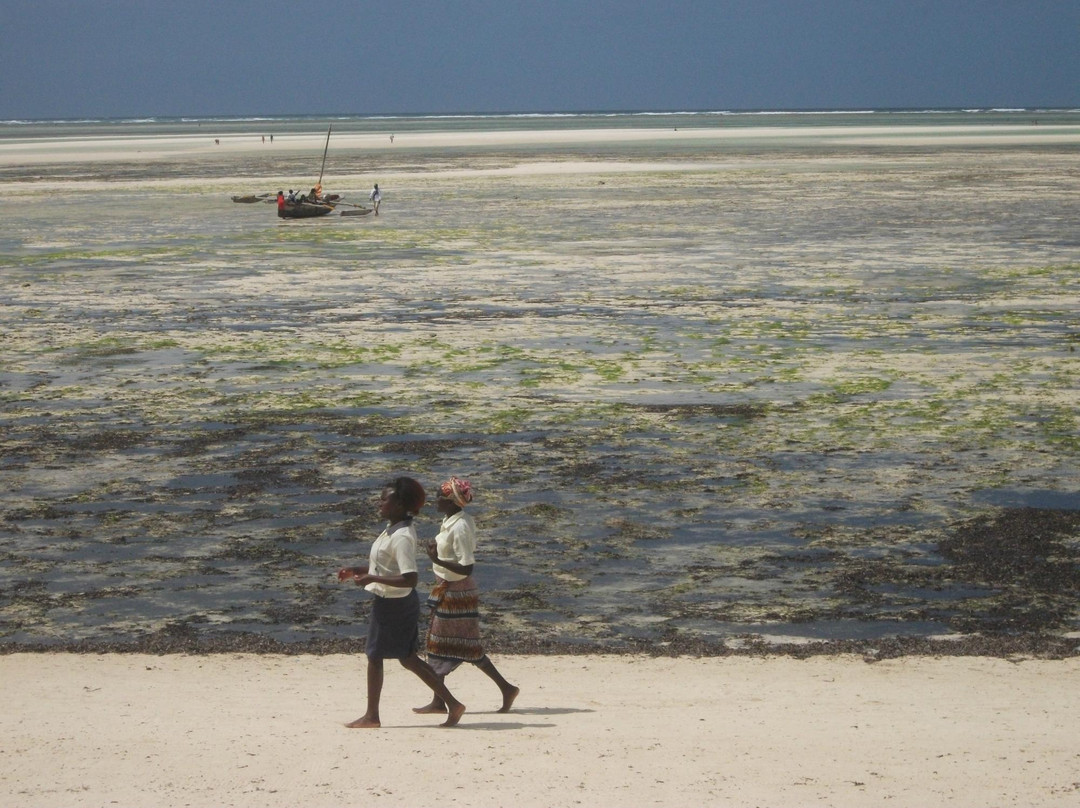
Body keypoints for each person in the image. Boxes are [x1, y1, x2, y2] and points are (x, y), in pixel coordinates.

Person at [338, 476, 466, 728]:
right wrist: (358, 569)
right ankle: (452, 703)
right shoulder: (394, 529)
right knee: (408, 658)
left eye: (385, 499)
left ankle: (372, 716)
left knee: (375, 656)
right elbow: (386, 567)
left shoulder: (402, 536)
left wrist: (370, 578)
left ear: (400, 505)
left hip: (394, 605)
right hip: (394, 603)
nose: (380, 503)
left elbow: (410, 578)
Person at [414, 476, 519, 715]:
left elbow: (466, 566)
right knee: (445, 644)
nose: (436, 500)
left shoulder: (460, 526)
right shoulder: (452, 519)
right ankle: (441, 699)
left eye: (441, 497)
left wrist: (436, 559)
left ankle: (505, 688)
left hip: (458, 591)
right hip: (447, 587)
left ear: (452, 501)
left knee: (453, 644)